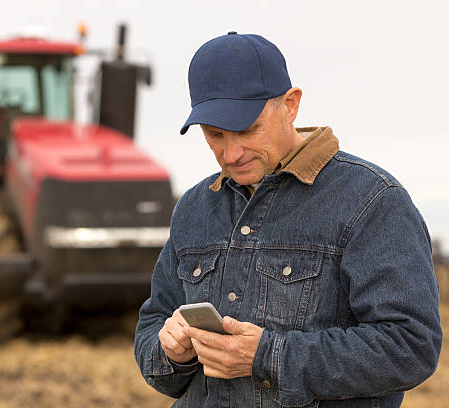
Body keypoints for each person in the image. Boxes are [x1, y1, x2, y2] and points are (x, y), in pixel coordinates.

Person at [134, 32, 442, 407]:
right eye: (214, 135)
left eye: (247, 130)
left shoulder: (373, 201)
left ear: (291, 105)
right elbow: (152, 330)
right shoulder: (195, 207)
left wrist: (268, 356)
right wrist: (172, 353)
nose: (230, 154)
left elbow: (411, 346)